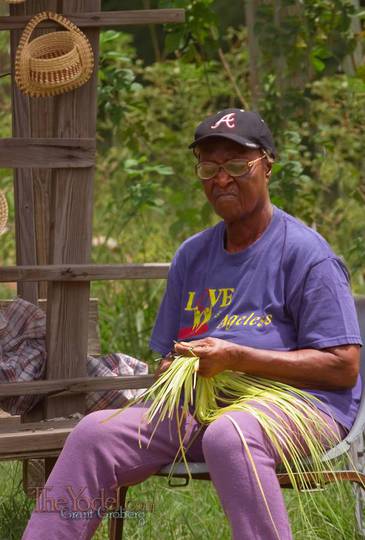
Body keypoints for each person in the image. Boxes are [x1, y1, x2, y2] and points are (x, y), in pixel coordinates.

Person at [23, 109, 362, 540]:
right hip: (202, 407)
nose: (222, 179)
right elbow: (170, 351)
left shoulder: (307, 255)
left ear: (268, 165)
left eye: (237, 165)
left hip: (304, 407)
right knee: (95, 433)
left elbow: (343, 366)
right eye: (209, 166)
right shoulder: (193, 256)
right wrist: (174, 369)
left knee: (230, 434)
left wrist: (237, 358)